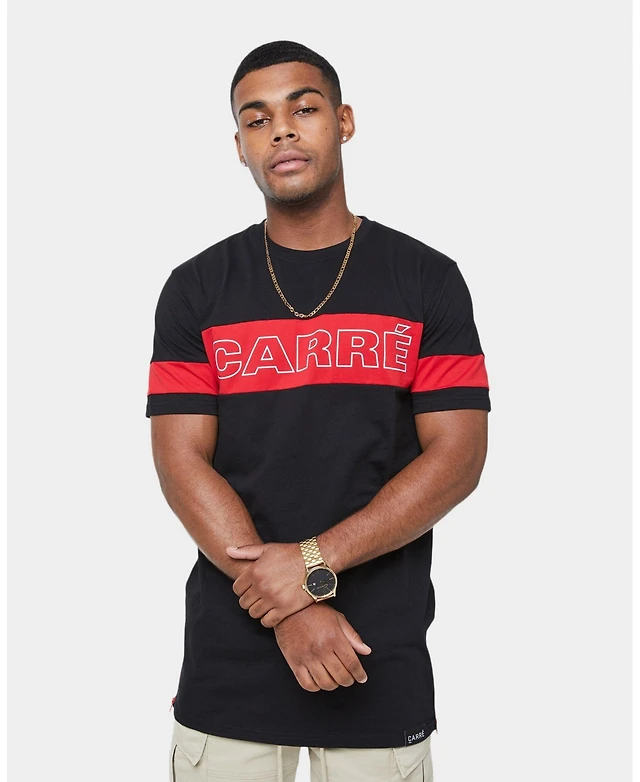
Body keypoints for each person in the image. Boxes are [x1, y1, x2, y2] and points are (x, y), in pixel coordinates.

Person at [146, 39, 491, 782]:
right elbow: (180, 463)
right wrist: (297, 607)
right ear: (239, 146)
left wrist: (311, 563)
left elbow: (458, 457)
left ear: (344, 121)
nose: (281, 130)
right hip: (229, 665)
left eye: (303, 109)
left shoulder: (425, 280)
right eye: (257, 119)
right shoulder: (196, 289)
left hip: (376, 657)